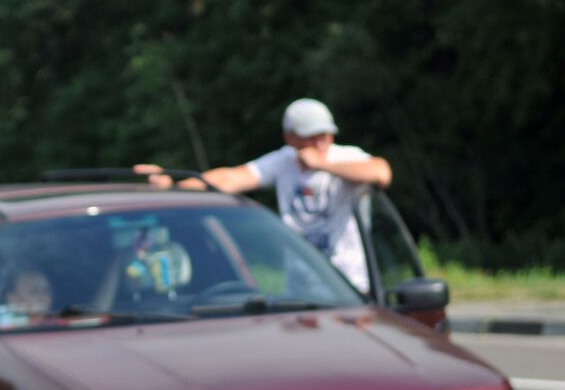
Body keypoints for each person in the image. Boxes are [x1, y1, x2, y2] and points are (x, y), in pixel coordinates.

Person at [138, 98, 391, 293]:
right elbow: (230, 179)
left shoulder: (346, 157)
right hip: (301, 291)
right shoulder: (284, 161)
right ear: (290, 137)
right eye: (311, 137)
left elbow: (381, 173)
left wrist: (321, 165)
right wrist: (173, 187)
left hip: (350, 287)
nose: (320, 143)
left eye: (324, 136)